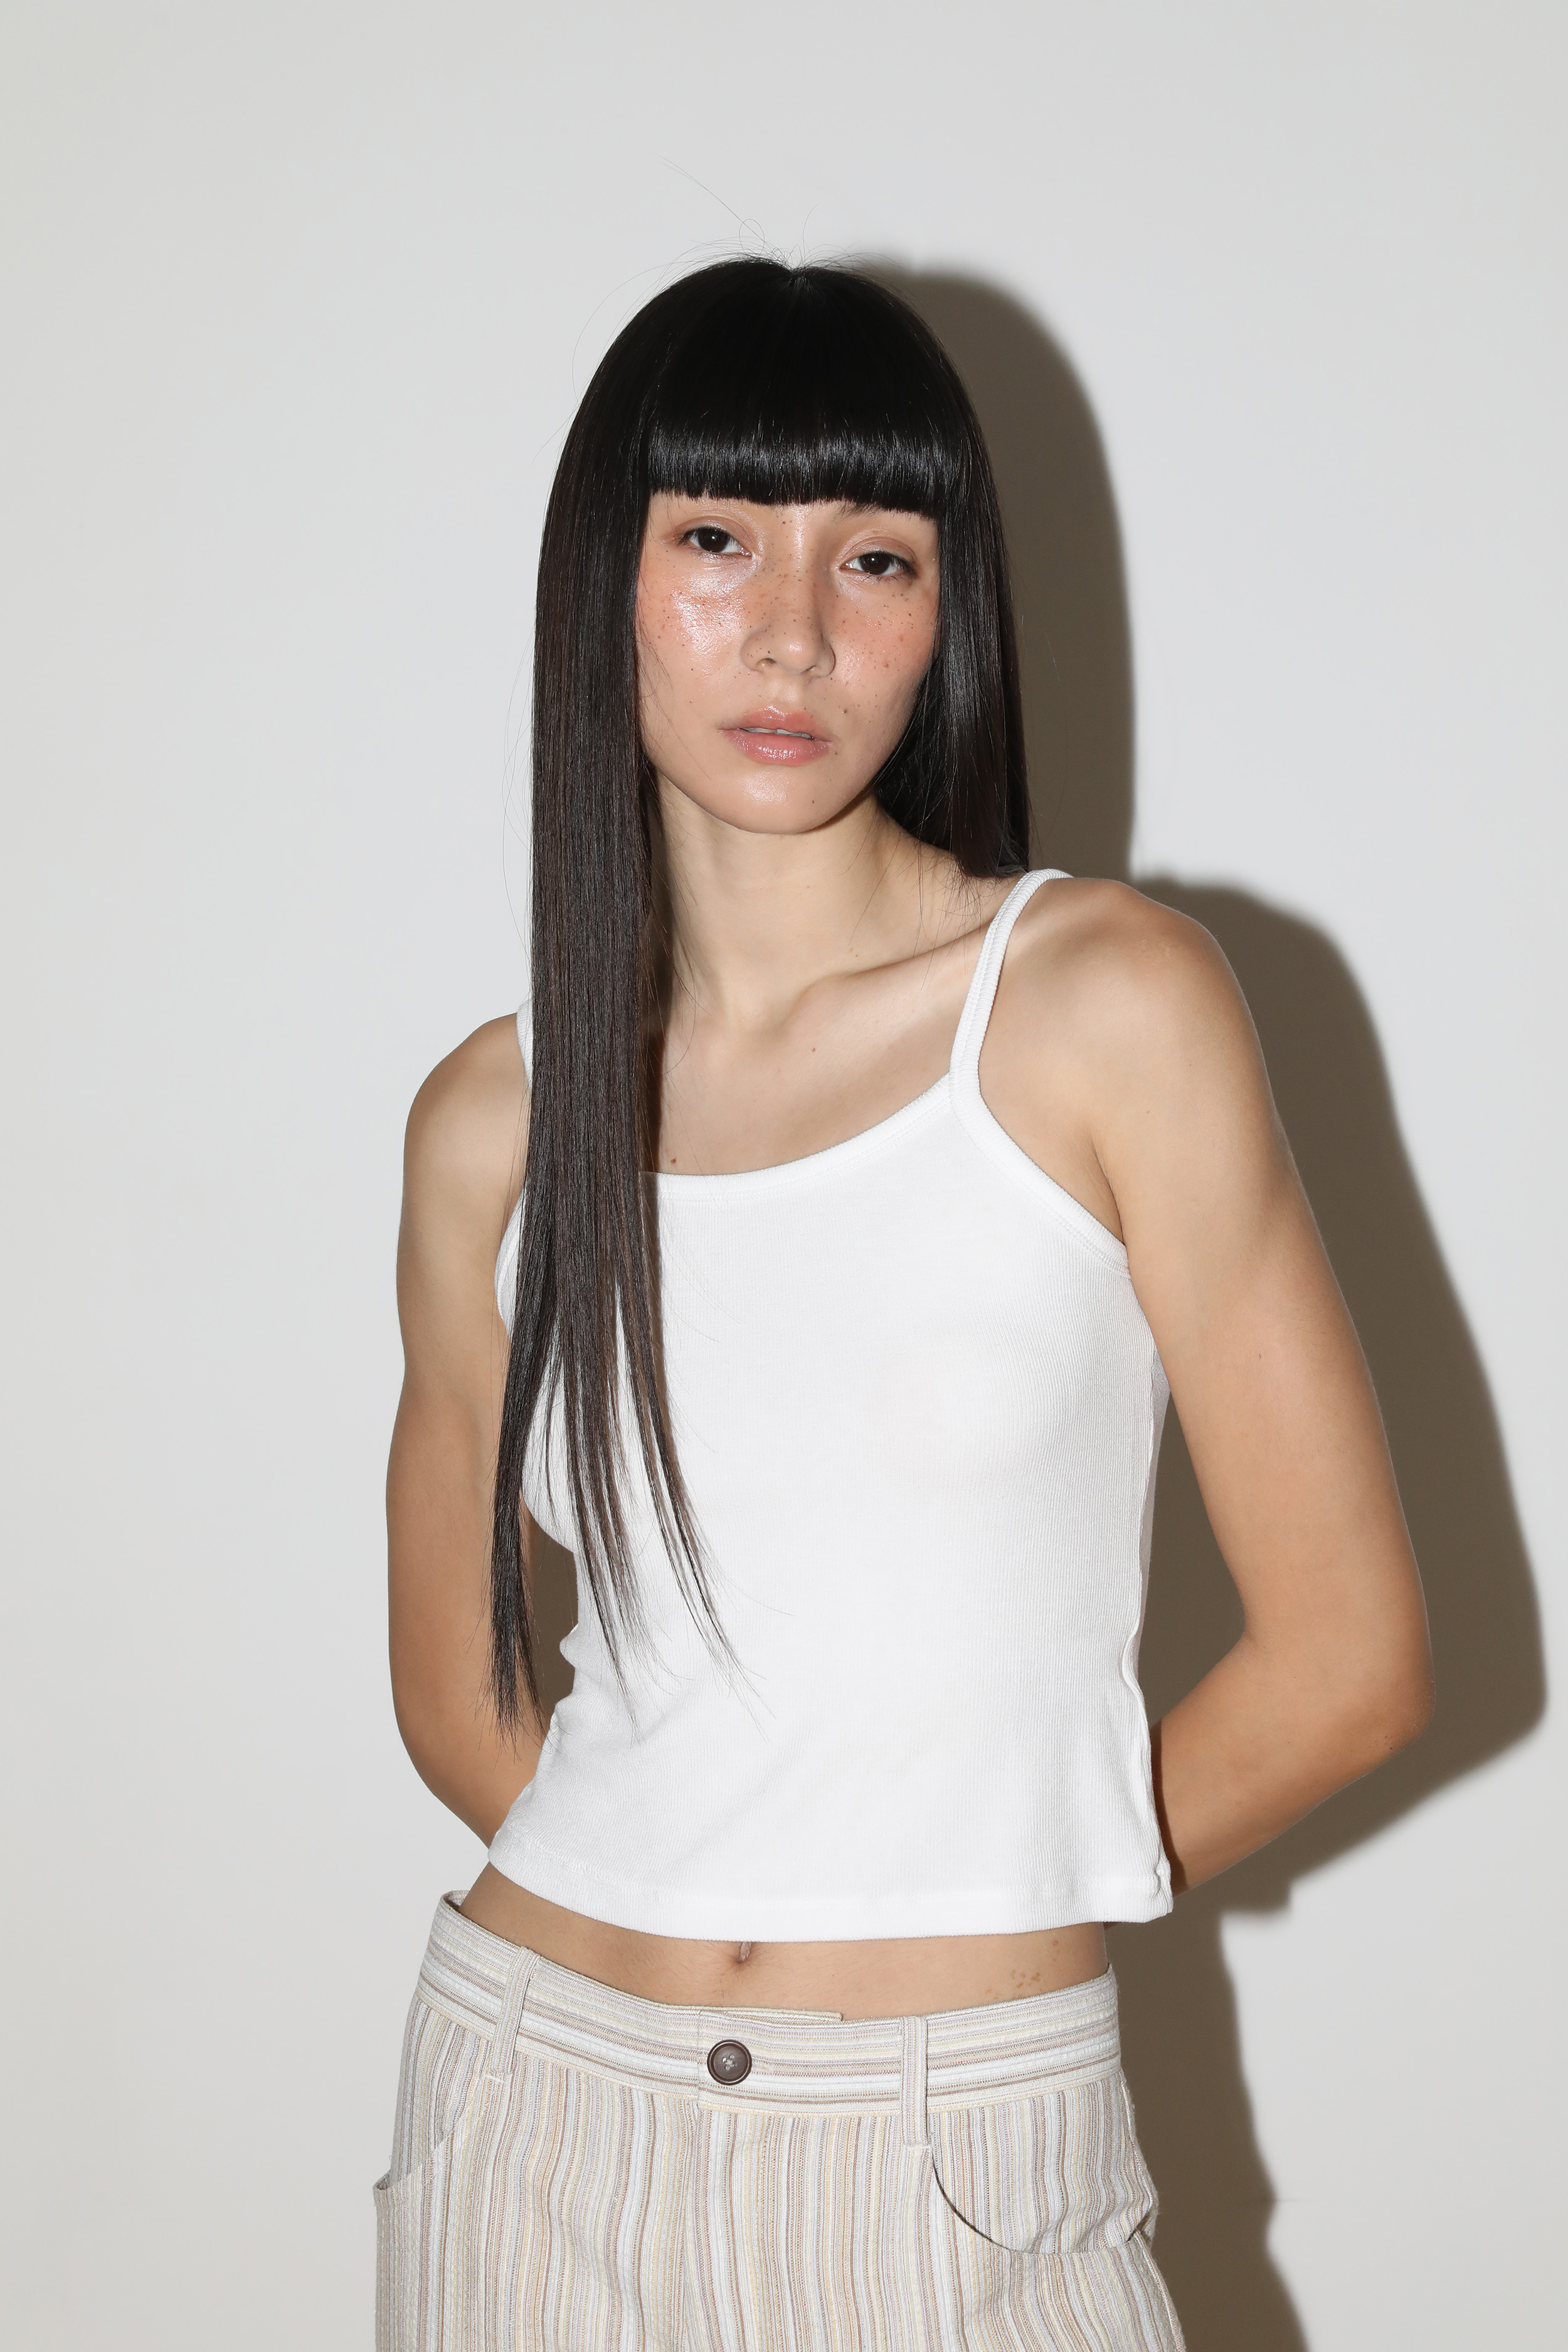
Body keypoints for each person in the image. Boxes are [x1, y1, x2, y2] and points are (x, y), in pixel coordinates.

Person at [378, 258, 1432, 2351]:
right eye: (713, 543)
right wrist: (698, 1898)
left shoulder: (1102, 1005)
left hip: (954, 2158)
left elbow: (1349, 1664)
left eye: (873, 558)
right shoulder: (496, 1115)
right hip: (532, 2124)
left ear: (949, 615)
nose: (790, 632)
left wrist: (960, 1912)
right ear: (603, 586)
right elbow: (453, 1693)